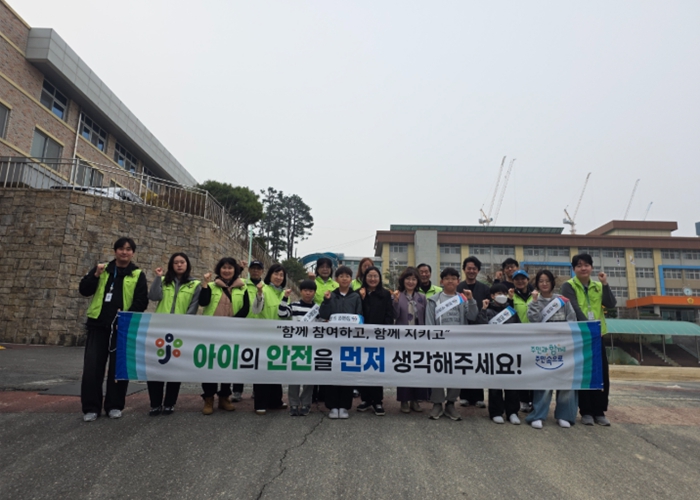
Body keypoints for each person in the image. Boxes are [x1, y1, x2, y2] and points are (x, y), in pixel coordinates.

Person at [78, 237, 148, 422]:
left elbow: (141, 301)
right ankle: (91, 407)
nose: (124, 252)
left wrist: (125, 317)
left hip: (122, 329)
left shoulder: (137, 274)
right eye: (121, 248)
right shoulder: (102, 269)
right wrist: (94, 275)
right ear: (115, 251)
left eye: (128, 249)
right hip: (98, 326)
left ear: (133, 253)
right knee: (92, 368)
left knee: (118, 369)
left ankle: (114, 405)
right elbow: (84, 290)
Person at [561, 253, 616, 426]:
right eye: (579, 265)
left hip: (598, 336)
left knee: (601, 374)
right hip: (581, 336)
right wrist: (589, 329)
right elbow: (574, 308)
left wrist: (605, 284)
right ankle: (586, 411)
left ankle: (600, 411)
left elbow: (611, 304)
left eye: (586, 265)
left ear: (591, 267)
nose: (583, 268)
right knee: (584, 373)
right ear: (574, 269)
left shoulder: (598, 285)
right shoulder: (568, 286)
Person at [146, 252, 201, 416]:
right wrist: (158, 278)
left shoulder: (194, 284)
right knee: (156, 366)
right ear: (171, 265)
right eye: (176, 262)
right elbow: (153, 296)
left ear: (187, 264)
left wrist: (184, 326)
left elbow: (193, 307)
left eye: (182, 262)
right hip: (159, 329)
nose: (179, 265)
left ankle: (170, 403)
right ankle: (155, 403)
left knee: (175, 368)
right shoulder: (163, 281)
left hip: (179, 330)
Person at [198, 257, 254, 415]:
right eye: (224, 267)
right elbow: (203, 302)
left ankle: (224, 397)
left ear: (235, 270)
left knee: (227, 365)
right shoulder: (211, 286)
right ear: (219, 269)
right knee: (209, 365)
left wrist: (231, 324)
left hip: (232, 333)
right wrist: (204, 284)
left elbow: (246, 308)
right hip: (211, 332)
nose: (227, 270)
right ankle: (208, 398)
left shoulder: (243, 288)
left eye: (230, 268)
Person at [526, 270, 578, 429]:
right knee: (544, 381)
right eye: (541, 281)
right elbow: (533, 320)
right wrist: (535, 302)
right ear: (537, 284)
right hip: (544, 347)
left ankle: (565, 415)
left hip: (564, 346)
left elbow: (572, 321)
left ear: (552, 283)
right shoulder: (534, 300)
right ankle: (538, 415)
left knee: (566, 381)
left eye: (547, 281)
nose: (544, 284)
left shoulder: (563, 301)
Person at [426, 267, 478, 421]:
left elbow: (472, 316)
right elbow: (429, 322)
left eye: (453, 278)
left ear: (458, 281)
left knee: (456, 373)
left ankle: (450, 403)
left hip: (458, 343)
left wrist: (471, 300)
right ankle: (437, 403)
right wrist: (432, 341)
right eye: (447, 278)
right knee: (437, 371)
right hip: (438, 342)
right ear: (441, 281)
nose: (450, 281)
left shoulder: (463, 299)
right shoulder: (433, 300)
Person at [319, 265, 364, 419]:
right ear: (336, 279)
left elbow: (359, 316)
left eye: (347, 276)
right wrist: (326, 301)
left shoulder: (355, 297)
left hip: (349, 340)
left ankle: (344, 406)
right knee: (332, 371)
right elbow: (324, 315)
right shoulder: (331, 295)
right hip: (332, 340)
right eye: (341, 276)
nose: (344, 279)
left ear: (351, 279)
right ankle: (332, 406)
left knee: (347, 372)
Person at [476, 283, 521, 425]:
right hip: (493, 351)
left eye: (504, 293)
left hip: (510, 351)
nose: (501, 296)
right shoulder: (488, 311)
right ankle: (496, 412)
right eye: (498, 293)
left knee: (512, 384)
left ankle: (512, 412)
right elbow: (480, 327)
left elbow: (519, 328)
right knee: (495, 384)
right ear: (492, 296)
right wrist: (483, 309)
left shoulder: (511, 311)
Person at [251, 263, 290, 415]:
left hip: (279, 337)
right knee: (262, 369)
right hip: (263, 336)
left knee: (276, 369)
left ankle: (275, 401)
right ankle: (260, 403)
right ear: (270, 275)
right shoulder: (263, 289)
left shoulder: (284, 293)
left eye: (281, 275)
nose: (279, 277)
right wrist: (259, 294)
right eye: (276, 274)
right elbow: (256, 310)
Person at [356, 266, 394, 416]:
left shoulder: (385, 294)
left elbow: (389, 315)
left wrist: (384, 332)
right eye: (370, 276)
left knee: (377, 368)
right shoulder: (359, 293)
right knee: (364, 367)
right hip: (362, 337)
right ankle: (365, 399)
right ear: (365, 278)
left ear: (379, 278)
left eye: (375, 276)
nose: (372, 279)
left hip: (379, 337)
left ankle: (378, 401)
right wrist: (362, 298)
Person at [278, 279, 319, 416]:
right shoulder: (294, 306)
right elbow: (282, 314)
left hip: (311, 347)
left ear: (314, 292)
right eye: (305, 290)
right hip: (296, 347)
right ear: (301, 291)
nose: (308, 293)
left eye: (311, 291)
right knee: (294, 377)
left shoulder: (317, 309)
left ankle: (306, 403)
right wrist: (285, 297)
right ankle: (294, 404)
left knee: (309, 378)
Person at [392, 267, 429, 413]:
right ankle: (404, 400)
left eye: (414, 279)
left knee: (418, 368)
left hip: (419, 338)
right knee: (404, 368)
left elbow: (425, 317)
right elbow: (394, 316)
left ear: (417, 281)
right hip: (403, 338)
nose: (411, 282)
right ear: (403, 280)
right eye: (408, 279)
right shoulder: (397, 295)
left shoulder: (421, 297)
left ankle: (416, 400)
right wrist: (395, 302)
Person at [456, 256, 490, 408]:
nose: (471, 271)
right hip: (462, 330)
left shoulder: (484, 289)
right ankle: (464, 396)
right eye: (468, 268)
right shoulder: (458, 287)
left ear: (478, 271)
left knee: (478, 362)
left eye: (474, 268)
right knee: (464, 361)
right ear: (464, 270)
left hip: (480, 331)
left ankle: (478, 397)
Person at [232, 259, 264, 401]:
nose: (256, 271)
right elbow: (229, 280)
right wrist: (239, 268)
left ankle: (257, 391)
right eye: (253, 268)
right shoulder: (242, 284)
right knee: (241, 359)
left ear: (262, 271)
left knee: (258, 360)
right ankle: (237, 391)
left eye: (258, 268)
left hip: (260, 328)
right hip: (243, 327)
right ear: (249, 270)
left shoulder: (266, 287)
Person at [511, 269, 534, 413]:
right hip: (517, 338)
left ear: (527, 280)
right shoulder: (511, 296)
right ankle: (523, 400)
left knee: (533, 369)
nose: (520, 281)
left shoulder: (536, 295)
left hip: (534, 337)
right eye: (517, 279)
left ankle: (533, 400)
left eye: (523, 278)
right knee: (520, 369)